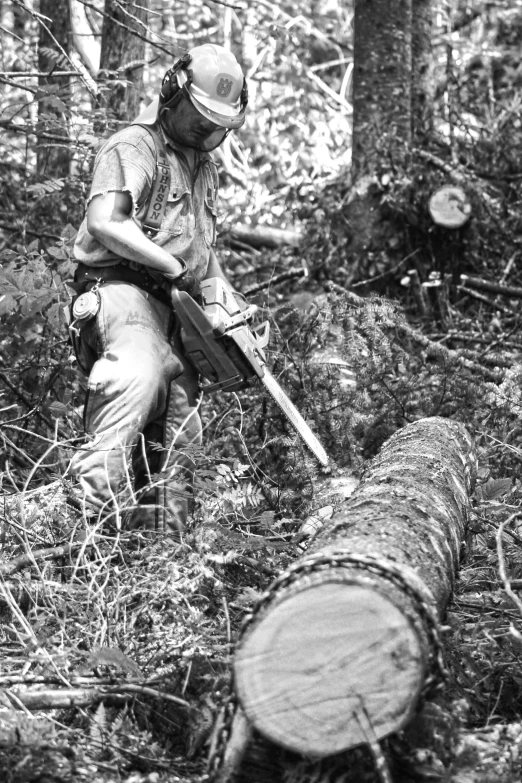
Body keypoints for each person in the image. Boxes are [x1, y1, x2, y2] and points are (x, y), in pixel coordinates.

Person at [66, 44, 249, 534]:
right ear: (174, 93)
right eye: (201, 116)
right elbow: (106, 222)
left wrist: (227, 307)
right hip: (123, 291)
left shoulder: (204, 168)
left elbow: (203, 255)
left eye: (217, 123)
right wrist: (169, 265)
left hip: (176, 310)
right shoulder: (135, 146)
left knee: (183, 428)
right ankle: (89, 529)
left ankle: (163, 555)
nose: (207, 130)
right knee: (138, 375)